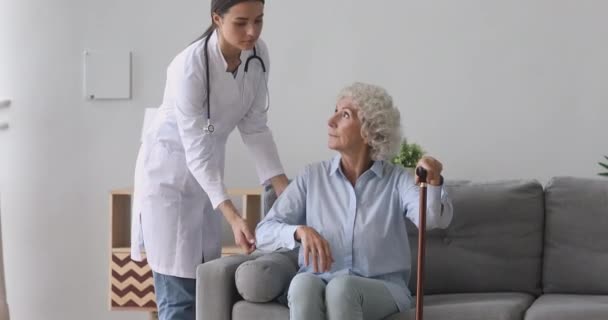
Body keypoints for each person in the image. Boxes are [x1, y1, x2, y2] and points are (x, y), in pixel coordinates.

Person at [130, 1, 289, 319]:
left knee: (205, 292)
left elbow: (255, 128)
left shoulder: (258, 56)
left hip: (207, 177)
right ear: (217, 19)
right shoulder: (188, 67)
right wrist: (233, 215)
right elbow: (195, 149)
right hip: (169, 177)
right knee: (178, 297)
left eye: (259, 21)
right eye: (241, 22)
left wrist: (284, 186)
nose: (252, 31)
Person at [256, 82, 454, 320]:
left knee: (342, 289)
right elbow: (263, 232)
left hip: (382, 287)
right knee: (302, 284)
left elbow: (431, 219)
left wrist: (432, 181)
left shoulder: (397, 180)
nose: (331, 120)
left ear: (370, 130)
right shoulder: (312, 177)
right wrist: (299, 231)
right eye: (335, 110)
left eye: (345, 114)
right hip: (320, 280)